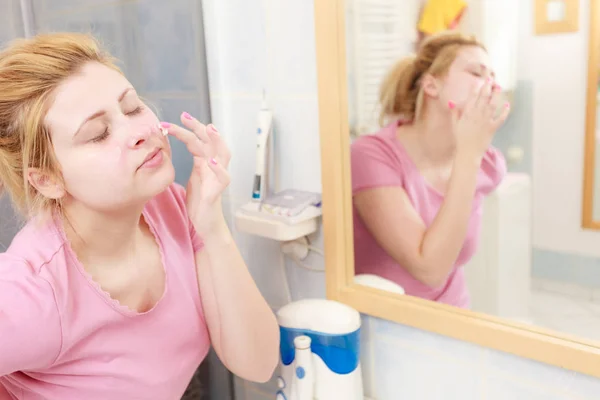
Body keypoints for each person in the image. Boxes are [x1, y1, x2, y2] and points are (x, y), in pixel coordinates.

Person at [0, 32, 279, 399]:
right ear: (48, 180)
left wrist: (209, 224)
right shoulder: (30, 291)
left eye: (132, 107)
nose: (139, 132)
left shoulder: (173, 207)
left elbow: (257, 363)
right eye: (98, 134)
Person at [350, 31, 510, 308]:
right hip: (386, 327)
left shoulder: (489, 165)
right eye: (477, 73)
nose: (492, 86)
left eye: (494, 77)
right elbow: (430, 270)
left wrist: (470, 155)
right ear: (432, 86)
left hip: (453, 314)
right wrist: (468, 155)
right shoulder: (371, 156)